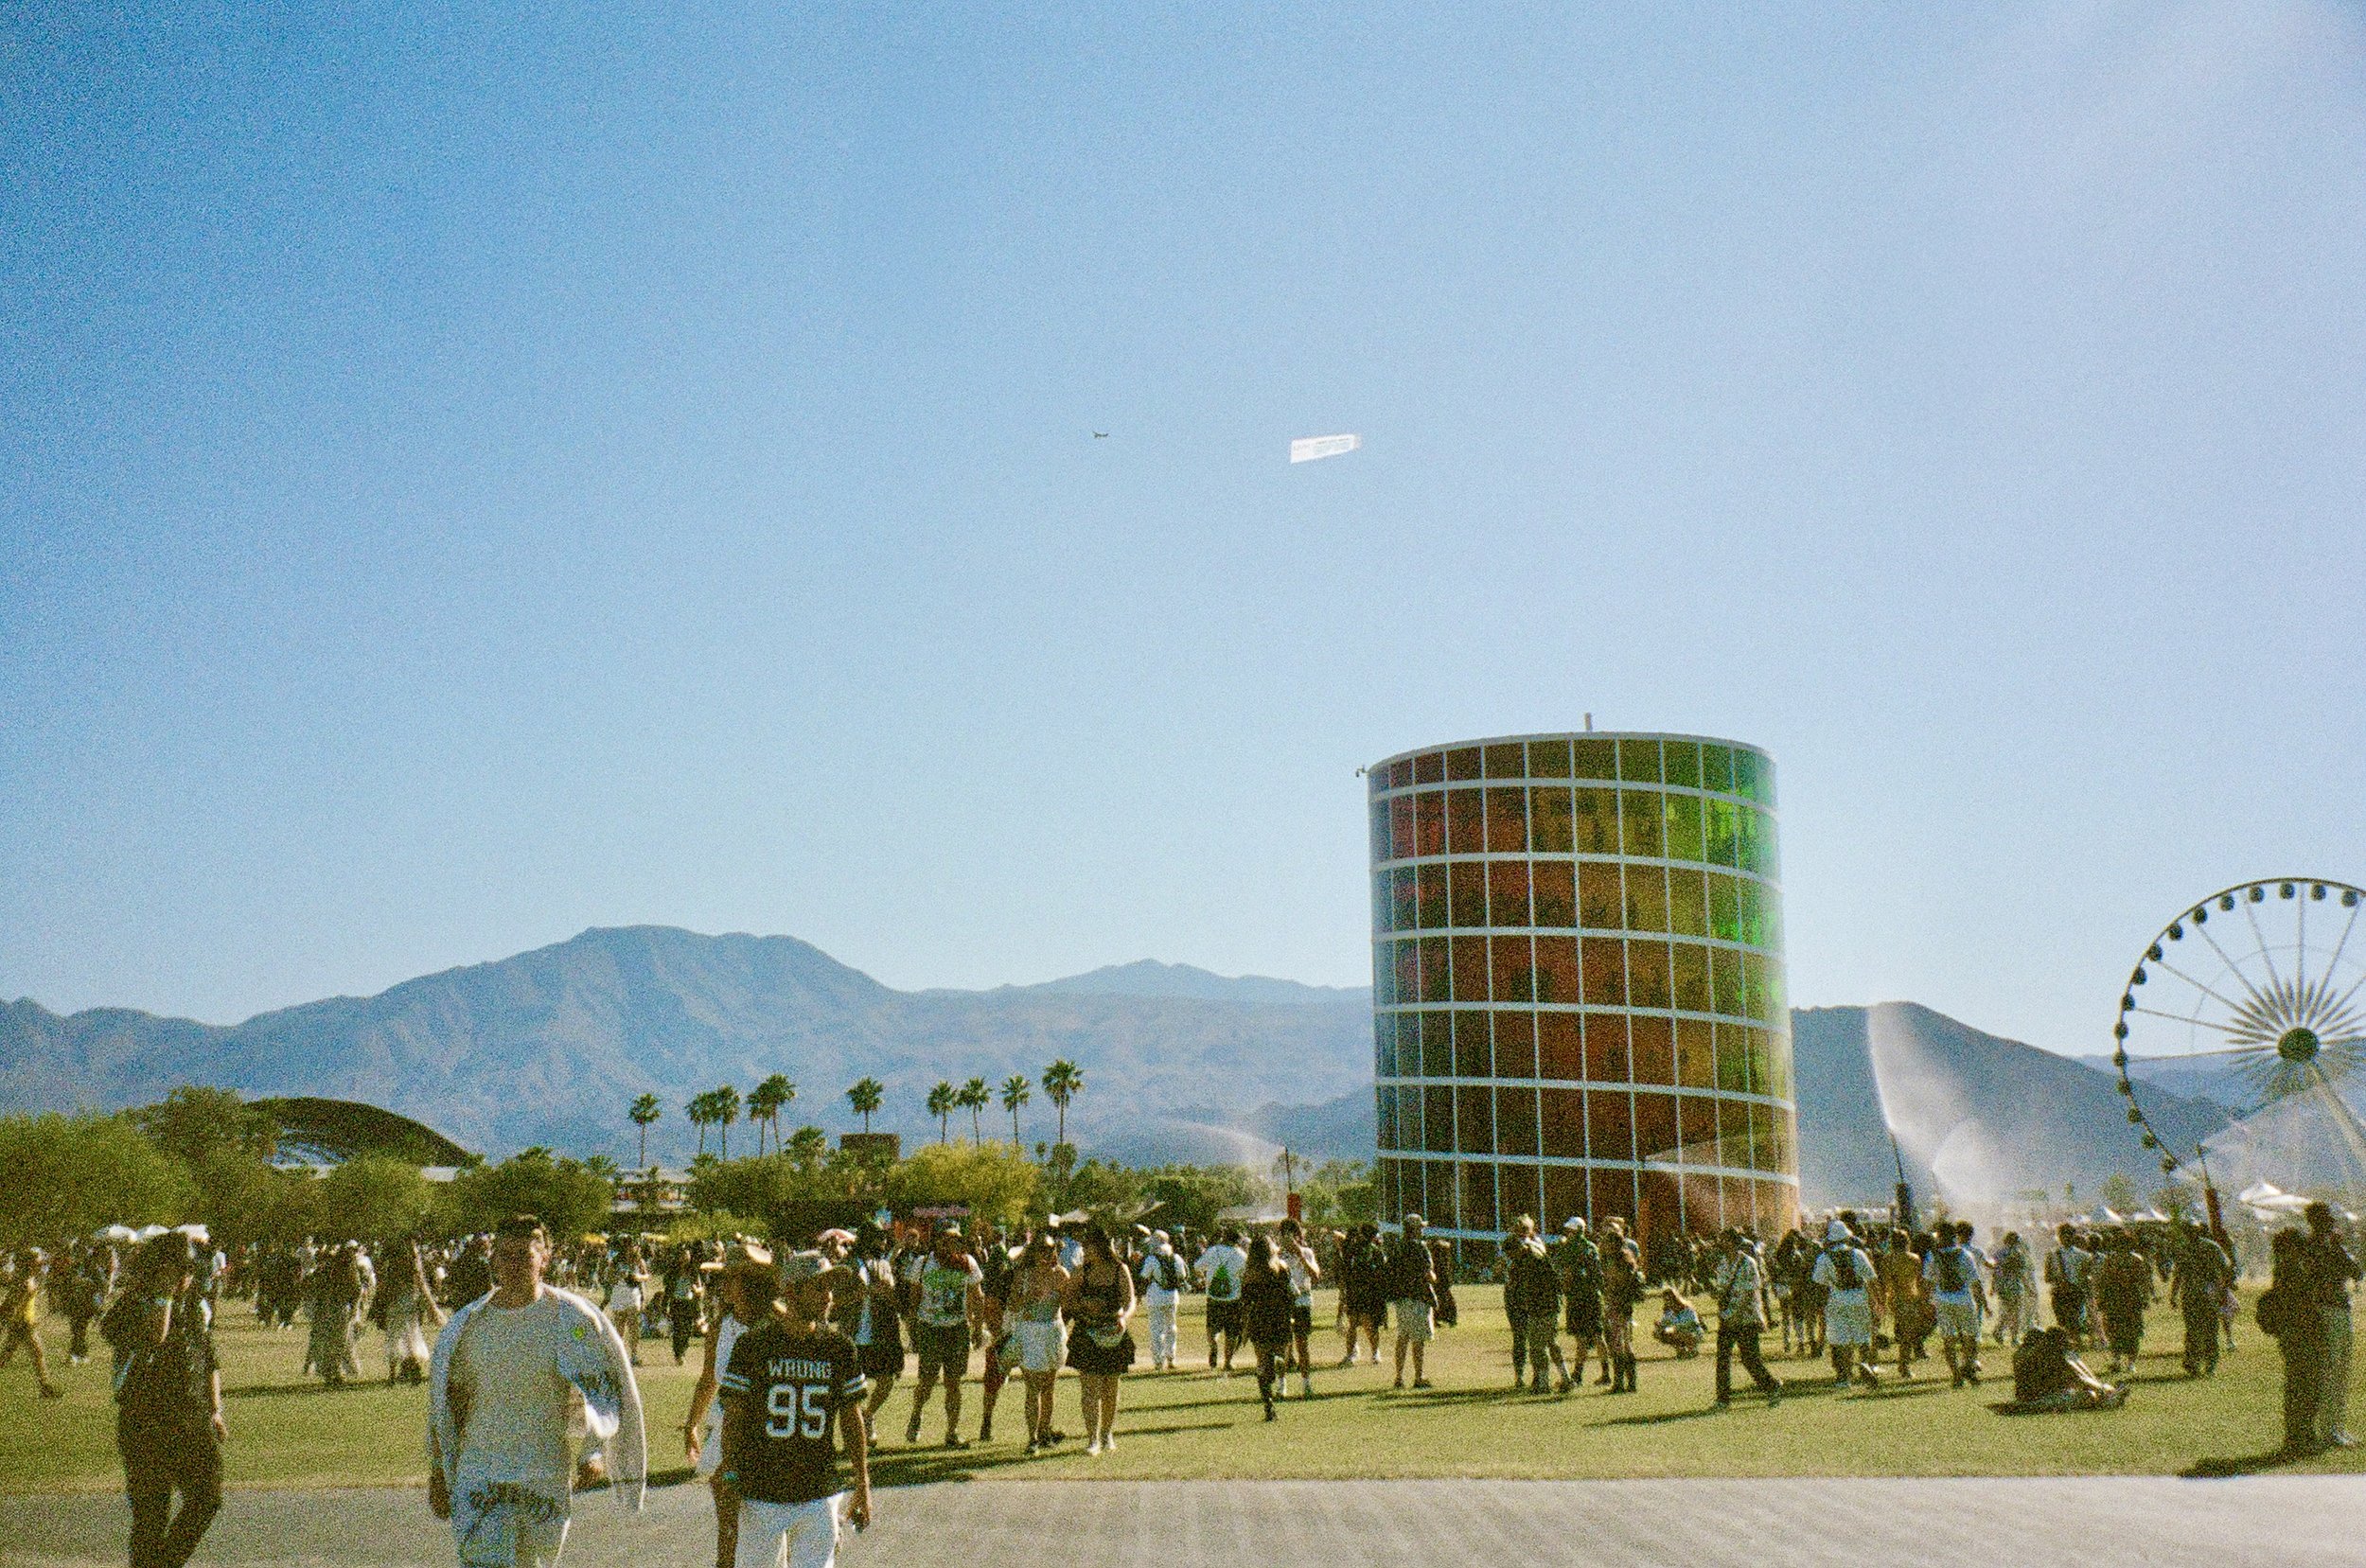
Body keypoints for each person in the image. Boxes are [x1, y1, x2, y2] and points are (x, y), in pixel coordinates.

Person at [426, 1214, 646, 1568]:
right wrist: (439, 1469)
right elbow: (445, 1403)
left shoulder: (571, 1319)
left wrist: (593, 1450)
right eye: (506, 1256)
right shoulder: (466, 1326)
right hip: (481, 1471)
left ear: (544, 1258)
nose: (514, 1266)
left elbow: (601, 1390)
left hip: (543, 1473)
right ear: (494, 1260)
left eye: (525, 1256)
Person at [717, 1251, 873, 1568]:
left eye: (830, 1288)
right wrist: (730, 1472)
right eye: (818, 1287)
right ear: (791, 1291)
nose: (828, 1297)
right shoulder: (753, 1345)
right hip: (762, 1489)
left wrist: (863, 1483)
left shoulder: (839, 1348)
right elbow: (733, 1418)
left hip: (819, 1490)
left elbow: (852, 1419)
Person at [101, 1234, 222, 1568]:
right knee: (151, 1517)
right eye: (178, 1269)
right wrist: (162, 1295)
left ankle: (164, 1564)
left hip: (192, 1418)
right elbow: (156, 1336)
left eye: (189, 1269)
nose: (186, 1276)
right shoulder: (132, 1304)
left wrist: (215, 1409)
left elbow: (208, 1358)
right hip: (146, 1420)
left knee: (208, 1497)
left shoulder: (195, 1305)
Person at [683, 1245, 774, 1568]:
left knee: (769, 1524)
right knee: (729, 1525)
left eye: (730, 1278)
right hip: (726, 1430)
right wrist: (692, 1423)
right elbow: (709, 1378)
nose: (722, 1284)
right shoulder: (722, 1324)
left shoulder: (777, 1323)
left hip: (769, 1434)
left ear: (751, 1282)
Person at [902, 1225, 984, 1450]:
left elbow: (977, 1296)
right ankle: (916, 1415)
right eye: (948, 1240)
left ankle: (952, 1431)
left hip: (957, 1328)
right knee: (927, 1381)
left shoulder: (967, 1263)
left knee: (954, 1383)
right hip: (930, 1327)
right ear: (938, 1241)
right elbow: (914, 1298)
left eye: (957, 1240)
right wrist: (913, 1331)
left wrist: (977, 1327)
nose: (953, 1245)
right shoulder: (923, 1263)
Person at [1062, 1223, 1137, 1454]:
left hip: (1113, 1332)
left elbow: (1130, 1300)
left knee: (1110, 1388)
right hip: (1087, 1331)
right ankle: (1092, 1438)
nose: (1085, 1250)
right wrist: (1082, 1305)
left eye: (1089, 1245)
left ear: (1101, 1246)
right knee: (1089, 1389)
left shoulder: (1119, 1269)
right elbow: (1067, 1300)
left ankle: (1107, 1433)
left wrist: (1124, 1317)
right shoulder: (1083, 1271)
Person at [2257, 1228, 2325, 1453]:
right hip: (2300, 1334)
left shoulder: (2285, 1269)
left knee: (2299, 1385)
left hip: (2292, 1334)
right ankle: (2300, 1436)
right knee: (2305, 1386)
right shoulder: (2293, 1270)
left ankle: (2299, 1435)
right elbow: (2302, 1305)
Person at [2303, 1201, 2360, 1449]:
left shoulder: (2322, 1246)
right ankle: (2329, 1428)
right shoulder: (2319, 1247)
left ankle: (2336, 1425)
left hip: (2336, 1309)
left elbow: (2356, 1272)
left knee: (2339, 1370)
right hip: (2328, 1310)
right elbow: (2355, 1271)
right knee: (2331, 1371)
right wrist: (2338, 1248)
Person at [1006, 1234, 1069, 1453]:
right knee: (1032, 1387)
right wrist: (1028, 1298)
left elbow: (1069, 1304)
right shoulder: (1023, 1275)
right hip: (1030, 1332)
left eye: (1051, 1250)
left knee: (1049, 1387)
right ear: (1033, 1253)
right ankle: (1032, 1437)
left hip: (1053, 1331)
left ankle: (1044, 1432)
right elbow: (1012, 1305)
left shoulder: (1061, 1274)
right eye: (1042, 1250)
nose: (1047, 1254)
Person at [844, 1233, 905, 1445]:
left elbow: (892, 1295)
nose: (884, 1243)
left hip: (879, 1335)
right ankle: (856, 1430)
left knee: (886, 1380)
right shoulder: (848, 1265)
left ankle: (867, 1415)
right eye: (879, 1239)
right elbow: (838, 1299)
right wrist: (860, 1293)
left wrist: (887, 1291)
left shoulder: (883, 1265)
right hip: (852, 1334)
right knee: (850, 1389)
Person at [1707, 1232, 1781, 1407]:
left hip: (1746, 1318)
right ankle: (1722, 1399)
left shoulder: (1748, 1263)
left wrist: (1734, 1314)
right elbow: (1722, 1288)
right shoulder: (1723, 1263)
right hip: (1727, 1317)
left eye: (1724, 1241)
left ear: (1734, 1243)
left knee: (1750, 1360)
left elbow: (1750, 1293)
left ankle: (1771, 1386)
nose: (1721, 1244)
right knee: (1722, 1359)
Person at [1812, 1220, 1881, 1389]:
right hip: (1859, 1296)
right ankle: (1866, 1366)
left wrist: (1819, 1308)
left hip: (1837, 1298)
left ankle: (1844, 1377)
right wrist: (1878, 1302)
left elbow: (1819, 1285)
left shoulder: (1824, 1257)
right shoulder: (1858, 1254)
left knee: (1841, 1339)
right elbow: (1872, 1279)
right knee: (1863, 1337)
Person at [1499, 1217, 1564, 1395]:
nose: (1521, 1231)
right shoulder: (1510, 1244)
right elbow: (1501, 1267)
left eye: (1524, 1228)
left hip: (1536, 1297)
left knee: (1542, 1339)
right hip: (1517, 1296)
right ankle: (1520, 1376)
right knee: (1520, 1336)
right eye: (1518, 1228)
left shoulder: (1535, 1247)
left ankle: (1542, 1377)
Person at [1240, 1235, 1297, 1421]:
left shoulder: (1250, 1272)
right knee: (1280, 1352)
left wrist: (1244, 1327)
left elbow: (1246, 1302)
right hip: (1280, 1316)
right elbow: (1292, 1293)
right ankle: (1279, 1361)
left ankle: (1268, 1406)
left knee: (1262, 1363)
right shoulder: (1283, 1267)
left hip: (1260, 1317)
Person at [1925, 1221, 1988, 1387]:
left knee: (1948, 1338)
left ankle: (1955, 1375)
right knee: (1971, 1336)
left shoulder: (1932, 1255)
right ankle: (1967, 1365)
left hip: (1942, 1299)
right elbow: (1975, 1282)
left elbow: (1928, 1282)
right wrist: (1984, 1303)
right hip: (1964, 1299)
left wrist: (1926, 1301)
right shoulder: (1965, 1255)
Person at [2009, 1326, 2125, 1412]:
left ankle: (2107, 1397)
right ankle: (2109, 1400)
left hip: (2024, 1399)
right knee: (2090, 1395)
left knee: (2086, 1394)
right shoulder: (2049, 1356)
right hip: (2041, 1400)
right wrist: (2103, 1388)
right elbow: (2079, 1380)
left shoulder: (2020, 1355)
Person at [2170, 1225, 2233, 1379]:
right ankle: (2204, 1362)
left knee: (2198, 1329)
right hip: (2205, 1292)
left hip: (2194, 1292)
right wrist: (2224, 1289)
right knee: (2205, 1329)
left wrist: (2173, 1294)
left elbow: (2179, 1274)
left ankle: (2198, 1361)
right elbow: (2226, 1268)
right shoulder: (2211, 1247)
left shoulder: (2185, 1249)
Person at [1385, 1216, 1439, 1391]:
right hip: (1418, 1296)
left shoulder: (1397, 1248)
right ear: (1415, 1229)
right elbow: (1429, 1274)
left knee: (1403, 1337)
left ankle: (1399, 1377)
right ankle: (1419, 1376)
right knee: (1418, 1339)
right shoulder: (1420, 1247)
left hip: (1401, 1298)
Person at [0, 1250, 63, 1399]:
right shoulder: (24, 1282)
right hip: (23, 1324)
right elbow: (12, 1304)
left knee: (6, 1357)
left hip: (23, 1323)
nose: (40, 1266)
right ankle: (45, 1387)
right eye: (38, 1263)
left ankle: (45, 1387)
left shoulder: (27, 1279)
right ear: (30, 1264)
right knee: (37, 1354)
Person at [385, 1241, 448, 1385]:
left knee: (396, 1336)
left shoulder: (392, 1265)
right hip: (408, 1301)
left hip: (395, 1301)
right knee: (411, 1335)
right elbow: (421, 1282)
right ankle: (412, 1369)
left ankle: (394, 1374)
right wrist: (431, 1304)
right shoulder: (414, 1263)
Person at [2092, 1230, 2153, 1376]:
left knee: (2133, 1332)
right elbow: (2102, 1282)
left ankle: (2131, 1363)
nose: (2121, 1246)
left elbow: (2144, 1281)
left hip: (2131, 1299)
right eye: (2119, 1244)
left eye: (2124, 1243)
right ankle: (2116, 1360)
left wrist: (2145, 1298)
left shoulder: (2136, 1260)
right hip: (2114, 1299)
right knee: (2114, 1331)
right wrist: (2101, 1299)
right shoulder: (2109, 1260)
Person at [1554, 1218, 1604, 1391]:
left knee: (1581, 1338)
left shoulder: (1569, 1247)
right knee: (1598, 1335)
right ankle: (1606, 1372)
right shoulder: (1592, 1247)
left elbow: (1561, 1268)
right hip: (1594, 1296)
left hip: (1577, 1297)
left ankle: (1578, 1373)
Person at [1278, 1219, 1322, 1399]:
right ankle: (1281, 1385)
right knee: (1283, 1346)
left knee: (1302, 1344)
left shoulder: (1307, 1252)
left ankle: (1306, 1383)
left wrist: (1300, 1255)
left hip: (1302, 1299)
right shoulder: (1277, 1255)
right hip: (1283, 1301)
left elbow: (1316, 1275)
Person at [1193, 1228, 1247, 1375]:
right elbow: (1245, 1275)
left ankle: (1213, 1346)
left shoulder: (1213, 1251)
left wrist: (1204, 1279)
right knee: (1231, 1332)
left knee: (1212, 1327)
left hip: (1213, 1297)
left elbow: (1197, 1266)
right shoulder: (1241, 1255)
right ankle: (1228, 1362)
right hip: (1233, 1299)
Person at [1336, 1224, 1389, 1367]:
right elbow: (1345, 1272)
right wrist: (1344, 1292)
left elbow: (1382, 1274)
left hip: (1370, 1292)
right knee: (1352, 1323)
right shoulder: (1351, 1251)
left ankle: (1375, 1352)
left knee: (1369, 1323)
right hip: (1354, 1291)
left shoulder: (1375, 1251)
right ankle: (1351, 1353)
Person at [1135, 1231, 1186, 1372]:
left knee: (1156, 1329)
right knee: (1171, 1327)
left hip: (1155, 1296)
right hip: (1172, 1296)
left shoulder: (1152, 1258)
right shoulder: (1176, 1257)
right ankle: (1171, 1358)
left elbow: (1144, 1276)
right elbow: (1182, 1275)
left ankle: (1158, 1361)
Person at [1601, 1233, 1644, 1393]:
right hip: (1622, 1304)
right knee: (1624, 1343)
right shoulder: (1624, 1258)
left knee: (1619, 1344)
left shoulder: (1620, 1261)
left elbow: (1618, 1283)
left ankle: (1620, 1383)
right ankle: (1629, 1383)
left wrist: (1612, 1296)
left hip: (1619, 1304)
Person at [2045, 1224, 2092, 1346]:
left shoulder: (2083, 1255)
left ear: (2073, 1236)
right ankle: (2071, 1341)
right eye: (2062, 1235)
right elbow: (2047, 1277)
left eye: (2068, 1235)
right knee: (2062, 1320)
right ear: (2059, 1237)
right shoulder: (2052, 1254)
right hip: (2059, 1291)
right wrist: (2059, 1281)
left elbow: (2087, 1274)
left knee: (2075, 1319)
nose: (2065, 1238)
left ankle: (2076, 1340)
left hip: (2075, 1291)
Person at [606, 1246, 649, 1368]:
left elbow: (646, 1276)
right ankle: (620, 1355)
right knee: (620, 1326)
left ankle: (634, 1354)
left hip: (633, 1294)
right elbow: (608, 1278)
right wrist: (618, 1276)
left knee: (633, 1325)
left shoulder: (639, 1261)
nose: (629, 1248)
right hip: (619, 1294)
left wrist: (638, 1277)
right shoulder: (616, 1261)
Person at [1991, 1231, 2035, 1348]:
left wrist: (1993, 1287)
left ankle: (1999, 1330)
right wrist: (2028, 1287)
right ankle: (2013, 1338)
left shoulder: (1998, 1253)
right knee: (2016, 1313)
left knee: (2007, 1311)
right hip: (2015, 1286)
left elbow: (1995, 1272)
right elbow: (2020, 1273)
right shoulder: (2018, 1254)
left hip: (2002, 1286)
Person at [1652, 1288, 1703, 1357]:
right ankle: (1681, 1351)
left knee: (1677, 1333)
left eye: (1670, 1299)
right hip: (1678, 1332)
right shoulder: (1670, 1313)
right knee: (1660, 1333)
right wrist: (1659, 1326)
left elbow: (1694, 1323)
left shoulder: (1688, 1309)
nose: (1668, 1302)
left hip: (1693, 1333)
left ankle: (1693, 1350)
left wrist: (1676, 1328)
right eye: (1666, 1300)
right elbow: (1664, 1323)